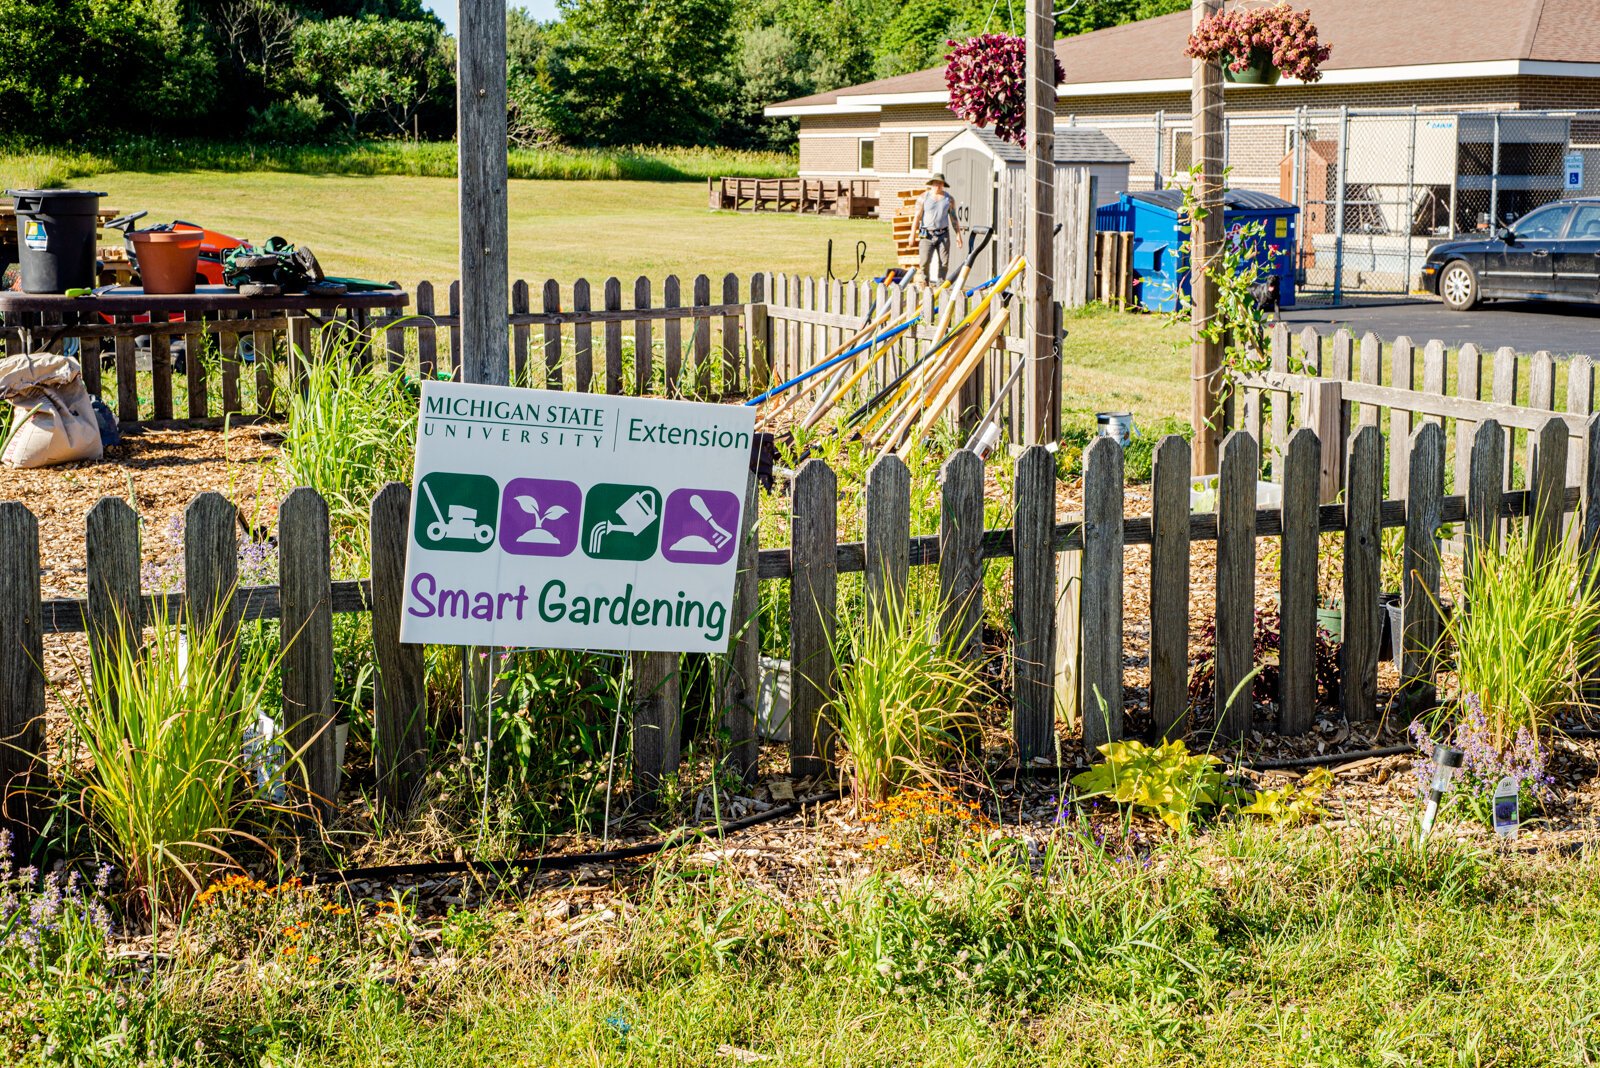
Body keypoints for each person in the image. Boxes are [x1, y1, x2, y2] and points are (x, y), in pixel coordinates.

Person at [911, 174, 962, 282]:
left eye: (940, 183)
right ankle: (925, 283)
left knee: (944, 263)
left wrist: (958, 235)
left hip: (943, 235)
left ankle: (941, 285)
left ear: (943, 184)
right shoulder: (923, 197)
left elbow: (954, 218)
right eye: (935, 183)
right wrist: (912, 235)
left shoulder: (949, 199)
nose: (937, 185)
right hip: (927, 235)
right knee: (924, 262)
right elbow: (917, 216)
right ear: (931, 184)